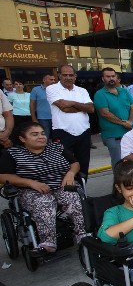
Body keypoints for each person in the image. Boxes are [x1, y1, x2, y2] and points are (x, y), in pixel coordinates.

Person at [0, 122, 86, 253]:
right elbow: (3, 176)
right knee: (44, 202)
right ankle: (48, 242)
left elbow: (74, 163)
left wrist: (70, 173)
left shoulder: (56, 147)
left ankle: (82, 234)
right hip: (31, 190)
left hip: (61, 184)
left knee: (73, 198)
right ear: (22, 139)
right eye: (34, 134)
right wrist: (31, 183)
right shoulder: (13, 153)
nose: (41, 137)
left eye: (42, 133)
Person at [47, 65, 94, 180]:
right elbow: (63, 107)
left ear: (75, 76)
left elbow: (91, 109)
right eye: (65, 75)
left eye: (71, 75)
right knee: (64, 164)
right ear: (59, 76)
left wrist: (72, 103)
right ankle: (67, 194)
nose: (68, 77)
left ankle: (82, 193)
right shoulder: (52, 89)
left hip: (83, 131)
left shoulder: (82, 90)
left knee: (83, 165)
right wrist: (82, 106)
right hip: (62, 132)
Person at [94, 67, 133, 166]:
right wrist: (123, 123)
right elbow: (105, 113)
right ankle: (119, 182)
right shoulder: (100, 94)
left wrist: (130, 121)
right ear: (103, 79)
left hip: (130, 131)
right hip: (113, 135)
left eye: (113, 76)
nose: (111, 78)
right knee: (119, 163)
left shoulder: (124, 91)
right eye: (108, 76)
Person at [29, 73, 54, 139]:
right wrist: (34, 118)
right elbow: (32, 104)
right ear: (44, 80)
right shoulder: (36, 90)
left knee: (56, 137)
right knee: (45, 137)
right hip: (43, 118)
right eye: (51, 79)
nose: (53, 81)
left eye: (54, 80)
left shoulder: (56, 90)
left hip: (56, 118)